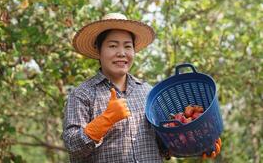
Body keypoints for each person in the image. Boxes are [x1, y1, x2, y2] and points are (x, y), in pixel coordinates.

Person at [62, 13, 221, 163]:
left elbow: (164, 145)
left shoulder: (148, 93)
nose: (122, 53)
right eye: (112, 46)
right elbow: (72, 146)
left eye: (128, 46)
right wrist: (105, 121)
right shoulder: (82, 95)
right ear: (98, 50)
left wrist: (198, 143)